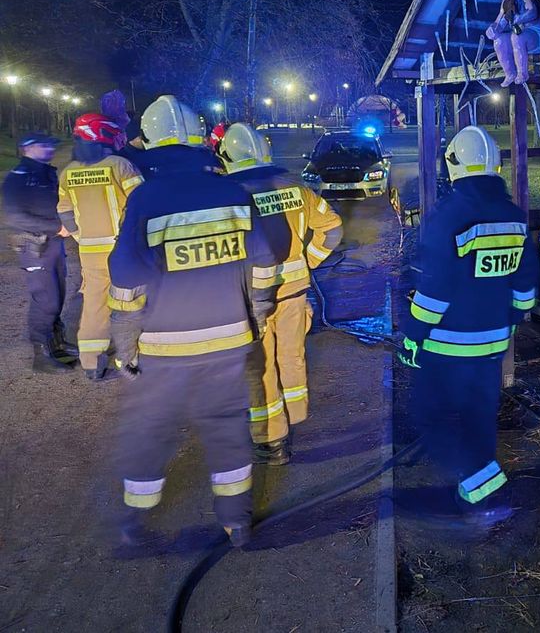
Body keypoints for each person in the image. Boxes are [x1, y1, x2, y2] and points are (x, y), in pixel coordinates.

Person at [108, 96, 278, 547]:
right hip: (228, 340)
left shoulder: (146, 199)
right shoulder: (234, 194)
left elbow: (125, 278)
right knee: (227, 429)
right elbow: (265, 264)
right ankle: (237, 522)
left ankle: (134, 524)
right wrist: (256, 316)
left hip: (165, 347)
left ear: (155, 150)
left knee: (152, 428)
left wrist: (125, 344)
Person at [400, 125, 538, 524]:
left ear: (453, 166)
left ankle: (484, 490)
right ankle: (478, 488)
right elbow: (525, 288)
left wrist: (412, 338)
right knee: (479, 414)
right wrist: (508, 323)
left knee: (432, 416)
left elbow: (434, 293)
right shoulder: (514, 217)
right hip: (493, 343)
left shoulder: (448, 216)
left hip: (447, 346)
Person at [218, 123, 342, 465]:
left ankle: (271, 440)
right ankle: (295, 416)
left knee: (259, 366)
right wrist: (308, 261)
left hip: (247, 298)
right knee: (291, 355)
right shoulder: (296, 187)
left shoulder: (227, 194)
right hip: (294, 291)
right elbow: (332, 229)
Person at [57, 113, 143, 379]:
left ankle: (92, 363)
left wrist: (80, 237)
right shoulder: (119, 165)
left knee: (95, 303)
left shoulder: (69, 171)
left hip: (90, 251)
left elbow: (64, 210)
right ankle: (133, 357)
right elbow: (142, 201)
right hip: (123, 249)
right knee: (133, 301)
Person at [2, 132, 75, 371]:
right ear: (27, 148)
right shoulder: (18, 177)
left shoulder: (46, 172)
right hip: (35, 246)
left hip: (53, 244)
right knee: (46, 299)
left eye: (51, 144)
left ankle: (57, 344)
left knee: (59, 294)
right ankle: (41, 356)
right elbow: (15, 216)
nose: (49, 149)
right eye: (43, 145)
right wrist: (56, 227)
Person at [485, 0, 540, 86]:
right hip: (519, 36)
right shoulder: (505, 3)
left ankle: (522, 73)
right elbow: (500, 22)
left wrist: (519, 19)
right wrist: (493, 30)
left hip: (536, 36)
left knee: (517, 37)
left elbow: (533, 12)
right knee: (499, 41)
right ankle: (509, 73)